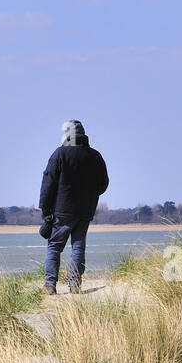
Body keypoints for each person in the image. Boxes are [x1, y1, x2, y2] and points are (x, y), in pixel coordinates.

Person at [38, 119, 109, 295]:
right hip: (85, 210)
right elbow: (103, 184)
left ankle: (49, 285)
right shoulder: (95, 156)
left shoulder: (59, 154)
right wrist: (90, 196)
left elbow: (48, 184)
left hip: (61, 210)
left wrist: (46, 211)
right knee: (78, 247)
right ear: (83, 135)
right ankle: (75, 284)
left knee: (54, 246)